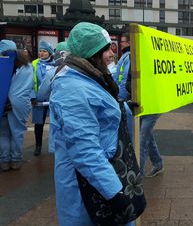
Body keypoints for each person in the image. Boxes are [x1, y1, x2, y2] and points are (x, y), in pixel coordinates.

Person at [49, 22, 133, 225]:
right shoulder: (72, 89)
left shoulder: (87, 77)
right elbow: (84, 149)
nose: (112, 53)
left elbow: (100, 111)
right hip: (86, 186)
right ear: (91, 52)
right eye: (106, 49)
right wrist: (114, 192)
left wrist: (126, 108)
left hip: (98, 176)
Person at [117, 32, 164, 178]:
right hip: (138, 104)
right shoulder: (132, 58)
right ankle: (158, 164)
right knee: (146, 135)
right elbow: (128, 81)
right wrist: (133, 90)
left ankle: (137, 177)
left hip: (152, 105)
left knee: (141, 139)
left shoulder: (154, 60)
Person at [0, 40, 33, 171]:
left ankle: (4, 161)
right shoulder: (27, 66)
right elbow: (30, 86)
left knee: (3, 134)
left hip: (2, 102)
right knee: (17, 133)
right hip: (19, 104)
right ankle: (16, 160)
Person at [32, 40, 56, 156]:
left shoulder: (55, 64)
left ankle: (56, 145)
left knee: (55, 123)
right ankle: (38, 146)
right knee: (38, 123)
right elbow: (30, 82)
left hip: (52, 99)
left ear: (50, 53)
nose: (41, 53)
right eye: (40, 51)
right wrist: (32, 97)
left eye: (44, 51)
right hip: (38, 99)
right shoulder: (34, 64)